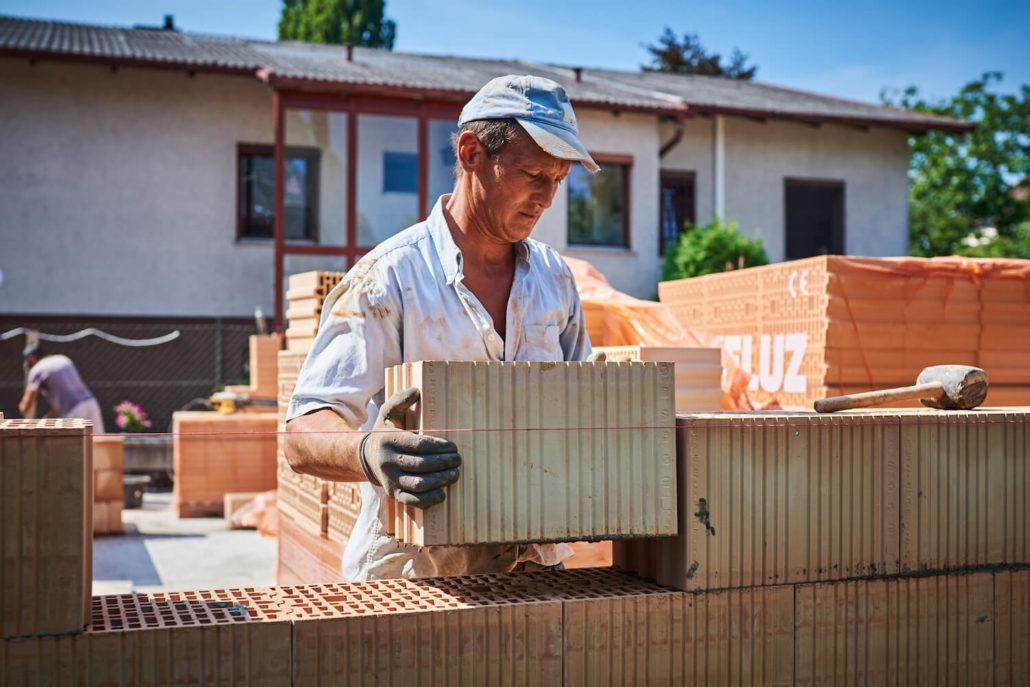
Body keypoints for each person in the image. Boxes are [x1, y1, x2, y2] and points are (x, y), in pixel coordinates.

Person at [284, 74, 600, 581]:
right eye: (532, 172)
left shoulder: (555, 280)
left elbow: (586, 408)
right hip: (414, 579)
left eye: (558, 180)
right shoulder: (389, 277)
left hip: (535, 572)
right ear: (471, 153)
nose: (546, 196)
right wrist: (368, 451)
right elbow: (302, 433)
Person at [19, 345, 106, 432]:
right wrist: (47, 418)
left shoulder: (37, 369)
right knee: (98, 442)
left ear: (32, 358)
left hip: (72, 412)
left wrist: (22, 409)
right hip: (91, 403)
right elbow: (58, 407)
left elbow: (28, 402)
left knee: (71, 445)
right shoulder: (62, 359)